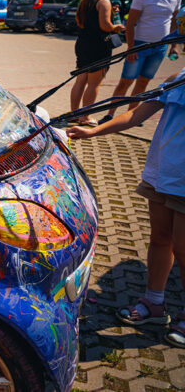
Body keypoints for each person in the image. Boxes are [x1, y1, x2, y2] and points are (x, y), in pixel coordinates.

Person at [67, 65, 185, 348]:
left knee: (183, 249)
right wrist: (95, 132)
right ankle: (154, 303)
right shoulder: (177, 77)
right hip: (161, 173)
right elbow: (137, 113)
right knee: (159, 239)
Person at [100, 0, 180, 124]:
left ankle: (132, 115)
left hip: (160, 47)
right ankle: (110, 114)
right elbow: (131, 24)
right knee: (126, 81)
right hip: (139, 45)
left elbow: (174, 21)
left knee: (143, 82)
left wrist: (173, 45)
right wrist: (131, 48)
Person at [69, 0, 125, 126]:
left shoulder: (85, 1)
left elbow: (79, 22)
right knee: (94, 83)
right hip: (98, 47)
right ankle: (85, 117)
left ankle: (74, 113)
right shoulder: (104, 1)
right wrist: (117, 27)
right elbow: (105, 26)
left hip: (83, 44)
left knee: (80, 80)